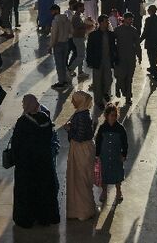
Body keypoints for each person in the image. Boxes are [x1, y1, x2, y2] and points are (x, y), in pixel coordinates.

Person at [11, 94, 61, 228]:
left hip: (27, 165)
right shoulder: (45, 119)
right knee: (43, 190)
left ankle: (26, 219)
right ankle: (44, 217)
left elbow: (16, 144)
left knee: (27, 192)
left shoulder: (22, 122)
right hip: (44, 162)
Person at [64, 91, 98, 221]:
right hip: (82, 150)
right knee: (81, 180)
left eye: (74, 100)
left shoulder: (81, 116)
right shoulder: (83, 113)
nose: (72, 102)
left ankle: (83, 210)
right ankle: (82, 210)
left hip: (81, 151)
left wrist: (69, 129)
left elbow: (80, 136)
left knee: (80, 180)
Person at [95, 103, 128, 203]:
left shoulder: (120, 128)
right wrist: (97, 155)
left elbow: (125, 143)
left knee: (117, 174)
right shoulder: (102, 128)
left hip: (116, 156)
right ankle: (104, 192)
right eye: (111, 115)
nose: (113, 117)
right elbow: (98, 142)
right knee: (104, 175)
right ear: (106, 115)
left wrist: (124, 154)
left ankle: (118, 191)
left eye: (115, 115)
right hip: (104, 156)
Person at [86, 14, 118, 109]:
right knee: (97, 82)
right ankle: (98, 101)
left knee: (109, 79)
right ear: (100, 23)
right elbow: (89, 49)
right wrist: (89, 61)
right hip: (97, 61)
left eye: (107, 21)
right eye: (105, 21)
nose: (107, 23)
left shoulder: (111, 35)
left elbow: (114, 48)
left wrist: (115, 58)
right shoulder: (93, 35)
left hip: (108, 60)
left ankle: (105, 93)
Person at [113, 12, 142, 103]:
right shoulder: (117, 30)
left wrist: (139, 55)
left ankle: (128, 97)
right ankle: (118, 88)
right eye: (129, 19)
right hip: (120, 57)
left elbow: (137, 44)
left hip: (130, 57)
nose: (131, 21)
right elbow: (112, 43)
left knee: (129, 78)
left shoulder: (133, 30)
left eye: (131, 19)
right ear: (124, 19)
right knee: (121, 77)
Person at [49, 4, 72, 90]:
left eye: (52, 11)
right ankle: (65, 80)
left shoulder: (55, 21)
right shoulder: (66, 19)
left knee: (59, 64)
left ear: (55, 11)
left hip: (58, 45)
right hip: (66, 43)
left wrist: (50, 46)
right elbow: (71, 31)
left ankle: (61, 82)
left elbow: (54, 35)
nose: (51, 13)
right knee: (63, 63)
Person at [140, 4, 157, 77]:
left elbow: (145, 32)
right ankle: (153, 68)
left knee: (150, 56)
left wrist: (140, 40)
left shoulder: (148, 20)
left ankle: (155, 71)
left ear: (149, 11)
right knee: (155, 56)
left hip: (150, 42)